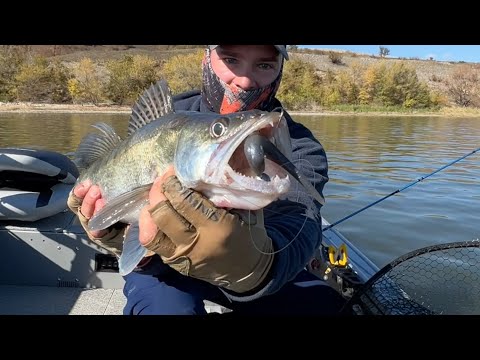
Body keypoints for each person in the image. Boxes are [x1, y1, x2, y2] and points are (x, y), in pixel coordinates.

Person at [67, 45, 346, 315]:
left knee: (325, 305)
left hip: (250, 279)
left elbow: (302, 221)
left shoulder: (299, 145)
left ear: (280, 70)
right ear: (207, 59)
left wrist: (255, 268)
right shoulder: (170, 119)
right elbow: (128, 235)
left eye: (264, 65)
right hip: (164, 267)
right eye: (231, 60)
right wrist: (113, 234)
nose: (245, 80)